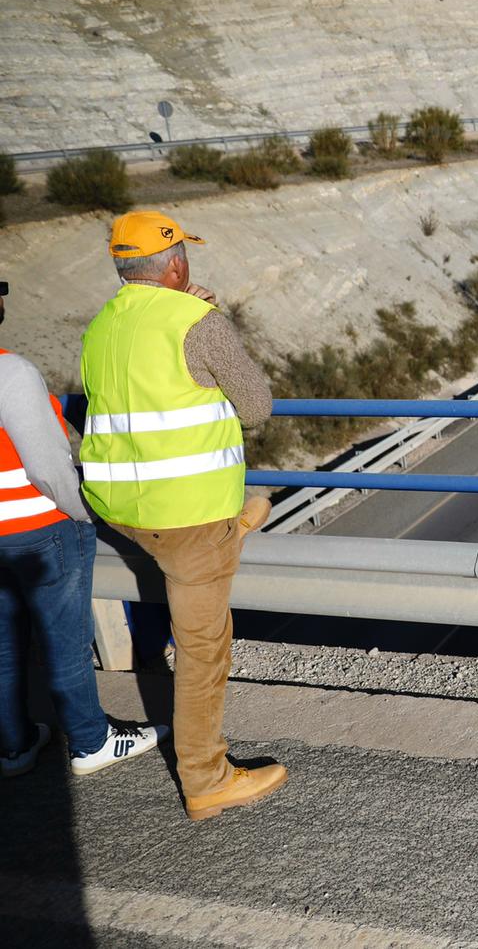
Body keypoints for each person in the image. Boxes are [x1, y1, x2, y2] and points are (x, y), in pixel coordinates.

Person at [80, 212, 284, 820]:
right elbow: (256, 408)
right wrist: (205, 318)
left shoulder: (101, 325)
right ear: (176, 265)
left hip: (120, 508)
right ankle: (206, 779)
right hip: (187, 518)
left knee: (198, 555)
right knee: (203, 649)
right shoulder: (198, 321)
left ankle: (233, 530)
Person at [0, 280, 168, 778]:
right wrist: (84, 513)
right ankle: (91, 742)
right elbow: (48, 467)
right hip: (39, 528)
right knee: (65, 643)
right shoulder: (11, 373)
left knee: (4, 646)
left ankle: (14, 746)